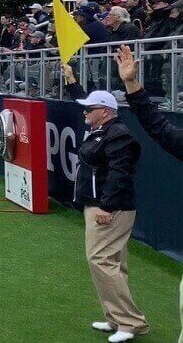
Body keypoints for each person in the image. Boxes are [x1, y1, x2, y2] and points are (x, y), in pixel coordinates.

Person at [72, 90, 146, 342]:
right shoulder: (104, 131)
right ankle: (116, 319)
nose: (85, 112)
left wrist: (107, 206)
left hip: (110, 209)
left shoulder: (118, 135)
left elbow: (119, 173)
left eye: (89, 109)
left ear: (104, 111)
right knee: (113, 262)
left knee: (100, 260)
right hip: (101, 205)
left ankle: (130, 322)